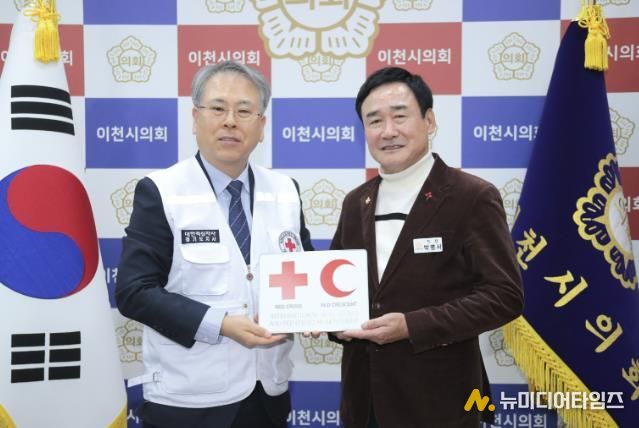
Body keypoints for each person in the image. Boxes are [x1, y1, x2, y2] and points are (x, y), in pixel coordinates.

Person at [116, 61, 313, 428]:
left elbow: (305, 272)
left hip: (267, 396)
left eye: (244, 111)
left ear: (262, 126)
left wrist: (316, 311)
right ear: (195, 118)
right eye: (218, 108)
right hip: (188, 399)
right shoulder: (161, 191)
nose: (230, 122)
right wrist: (220, 324)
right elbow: (133, 292)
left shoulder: (286, 191)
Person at [329, 67, 524, 428]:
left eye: (400, 116)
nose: (388, 131)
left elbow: (505, 296)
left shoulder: (471, 196)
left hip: (440, 403)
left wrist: (411, 325)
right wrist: (322, 317)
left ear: (429, 121)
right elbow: (336, 287)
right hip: (364, 402)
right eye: (374, 121)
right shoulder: (356, 202)